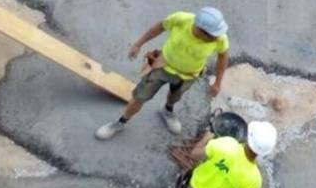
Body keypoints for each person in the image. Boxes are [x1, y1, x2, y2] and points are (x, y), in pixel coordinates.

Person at [98, 8, 230, 140]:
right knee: (140, 97)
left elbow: (223, 58)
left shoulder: (219, 38)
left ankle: (167, 111)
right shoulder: (181, 19)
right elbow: (158, 28)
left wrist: (218, 83)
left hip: (188, 75)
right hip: (162, 67)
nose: (215, 38)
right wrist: (138, 44)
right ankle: (120, 123)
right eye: (211, 35)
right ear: (199, 28)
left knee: (175, 96)